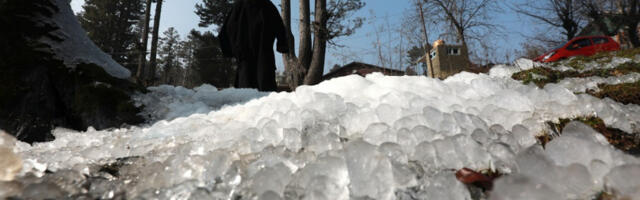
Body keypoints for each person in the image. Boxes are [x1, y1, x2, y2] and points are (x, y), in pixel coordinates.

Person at [218, 0, 289, 92]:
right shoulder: (267, 5)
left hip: (246, 56)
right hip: (262, 55)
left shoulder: (239, 6)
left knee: (246, 89)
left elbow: (226, 30)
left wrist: (229, 50)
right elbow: (280, 28)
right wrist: (282, 45)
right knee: (264, 88)